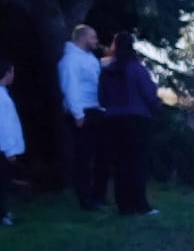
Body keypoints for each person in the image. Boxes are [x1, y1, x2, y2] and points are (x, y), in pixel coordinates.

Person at [98, 32, 162, 217]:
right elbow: (149, 93)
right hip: (136, 119)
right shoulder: (136, 69)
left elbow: (102, 97)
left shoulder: (108, 71)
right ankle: (139, 204)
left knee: (120, 164)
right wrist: (157, 109)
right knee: (137, 164)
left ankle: (124, 205)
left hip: (112, 121)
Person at [58, 24, 104, 210]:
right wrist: (78, 113)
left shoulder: (89, 58)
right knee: (83, 158)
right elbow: (70, 87)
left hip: (95, 109)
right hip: (83, 112)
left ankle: (95, 195)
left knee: (95, 156)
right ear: (83, 38)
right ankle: (85, 199)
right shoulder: (70, 61)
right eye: (93, 37)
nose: (96, 41)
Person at [0, 57, 23, 227]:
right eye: (12, 71)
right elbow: (4, 125)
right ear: (7, 73)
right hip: (3, 148)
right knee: (2, 182)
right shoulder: (1, 97)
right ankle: (2, 214)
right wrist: (10, 150)